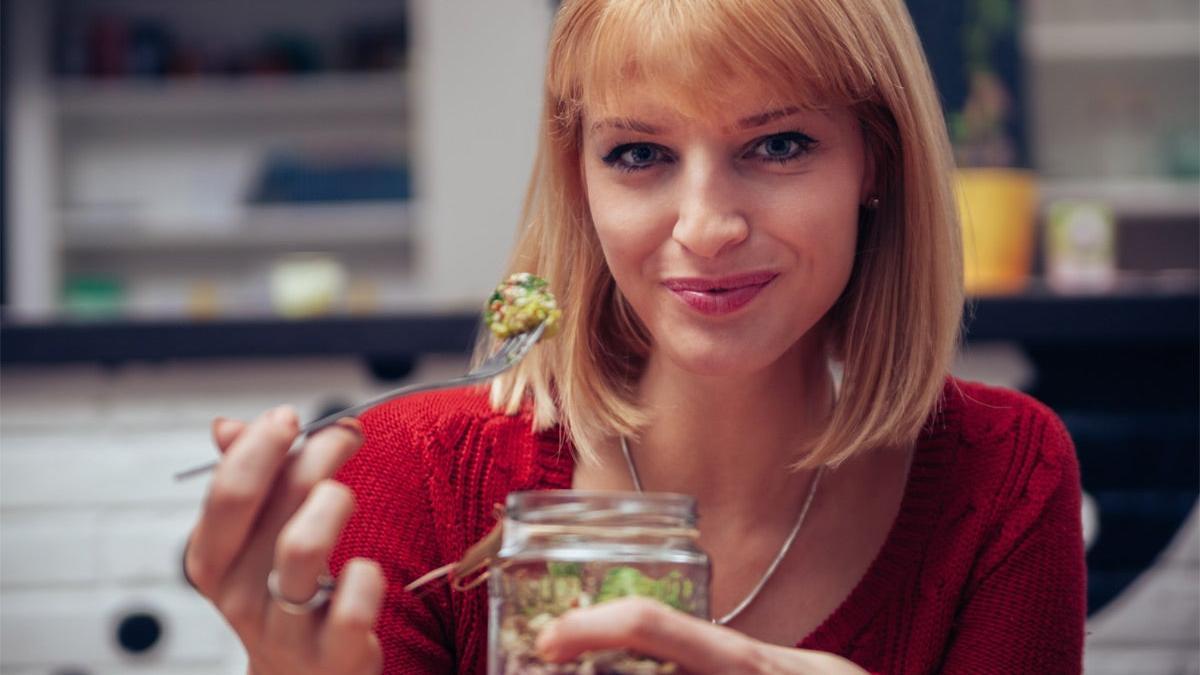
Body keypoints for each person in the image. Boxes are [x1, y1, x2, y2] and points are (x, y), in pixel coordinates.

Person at [183, 0, 1087, 673]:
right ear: (582, 182)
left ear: (874, 160)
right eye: (639, 154)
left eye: (776, 145)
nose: (706, 226)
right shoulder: (404, 475)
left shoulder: (1002, 473)